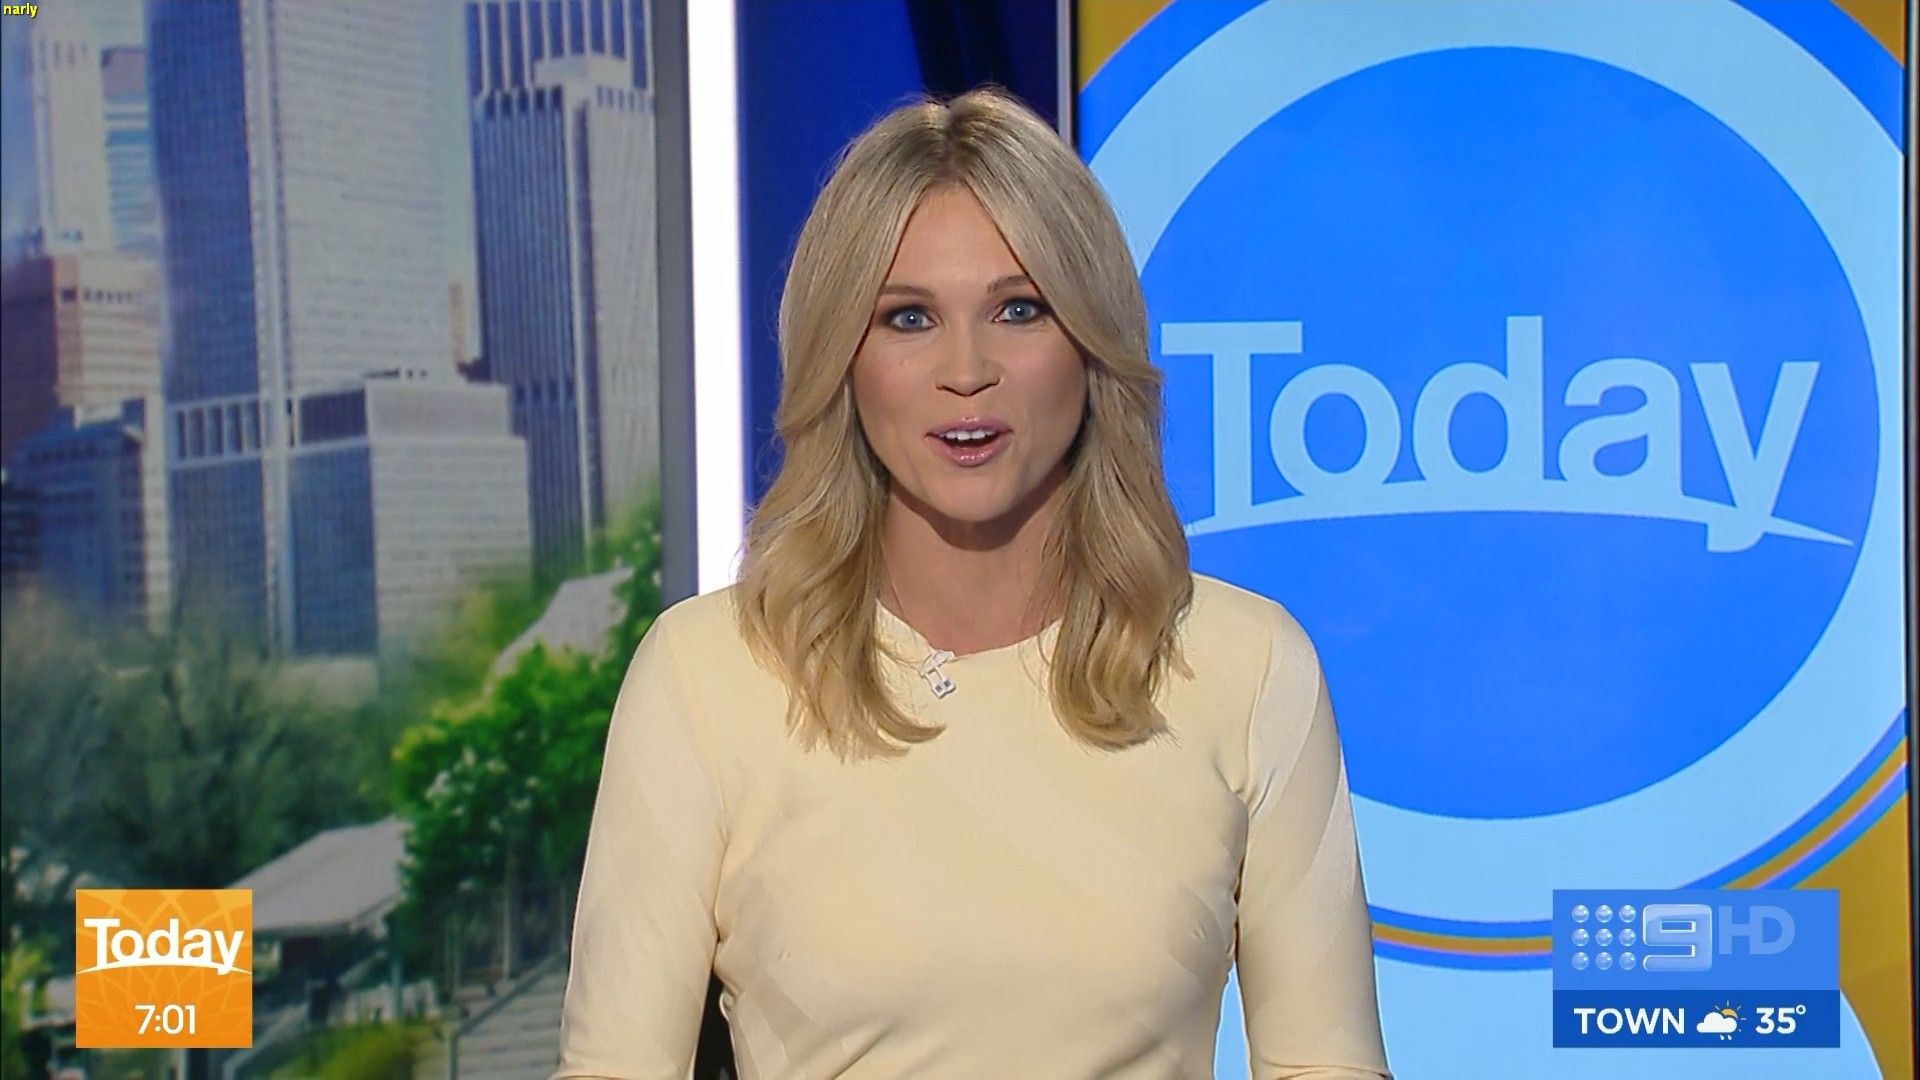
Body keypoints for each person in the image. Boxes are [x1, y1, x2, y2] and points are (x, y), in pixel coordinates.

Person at [553, 85, 1391, 1079]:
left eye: (1018, 309)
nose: (967, 369)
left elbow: (1327, 1062)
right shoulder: (706, 676)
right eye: (908, 317)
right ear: (842, 358)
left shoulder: (1247, 668)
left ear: (1089, 344)